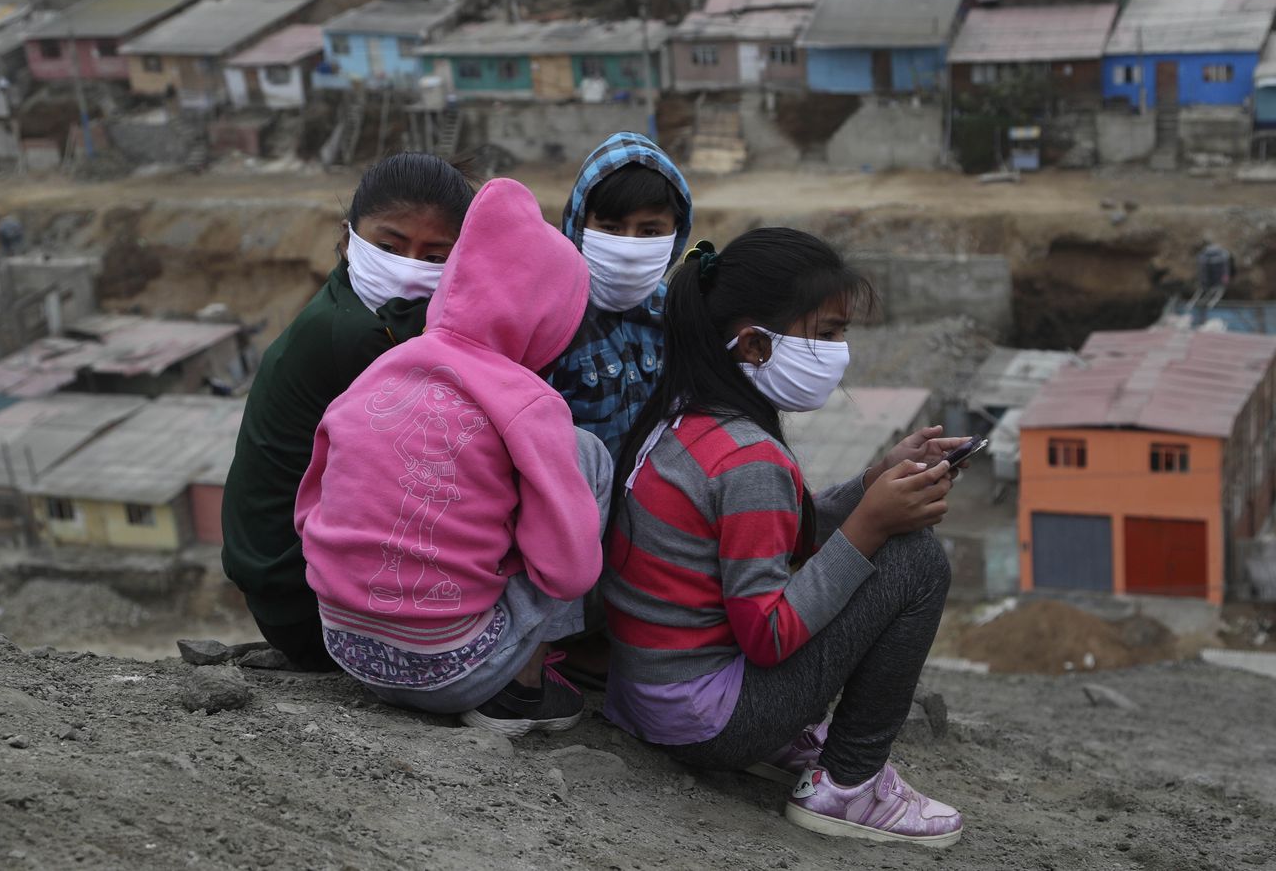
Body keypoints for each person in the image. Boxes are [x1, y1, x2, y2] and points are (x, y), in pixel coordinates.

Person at [603, 229, 968, 848]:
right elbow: (768, 636)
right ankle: (850, 786)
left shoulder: (685, 418)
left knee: (888, 542)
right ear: (753, 344)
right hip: (708, 722)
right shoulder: (750, 459)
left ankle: (806, 749)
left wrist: (869, 486)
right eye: (825, 334)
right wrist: (872, 524)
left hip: (649, 696)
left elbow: (767, 533)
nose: (839, 351)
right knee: (914, 560)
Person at [296, 177, 611, 736]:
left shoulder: (385, 367)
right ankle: (523, 690)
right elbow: (569, 573)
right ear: (549, 317)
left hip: (343, 647)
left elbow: (309, 508)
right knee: (584, 457)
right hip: (452, 672)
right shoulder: (530, 402)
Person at [221, 153, 475, 671]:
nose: (409, 267)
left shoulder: (361, 307)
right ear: (346, 238)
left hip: (290, 587)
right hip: (303, 603)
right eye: (389, 246)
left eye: (434, 256)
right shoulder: (356, 336)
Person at [549, 132, 692, 465]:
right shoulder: (550, 318)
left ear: (676, 233)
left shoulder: (675, 312)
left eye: (649, 232)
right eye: (611, 228)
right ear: (579, 225)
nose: (628, 249)